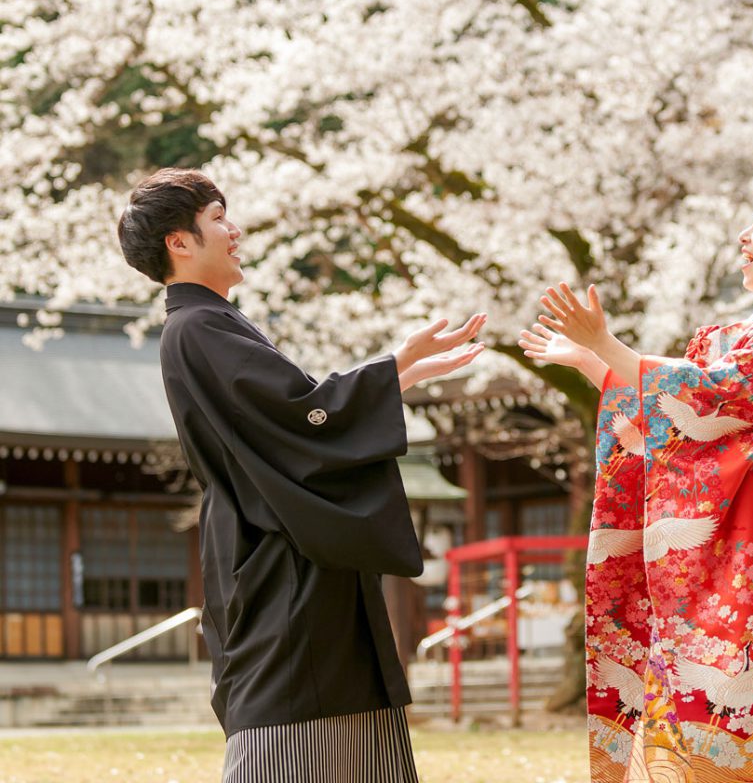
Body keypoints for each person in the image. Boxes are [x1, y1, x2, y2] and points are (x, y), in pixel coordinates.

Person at [118, 167, 485, 783]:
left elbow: (295, 415)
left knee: (325, 712)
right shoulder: (199, 326)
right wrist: (395, 367)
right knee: (286, 721)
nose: (234, 231)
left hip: (280, 542)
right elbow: (300, 419)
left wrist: (402, 372)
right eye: (217, 219)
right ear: (179, 242)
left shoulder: (207, 323)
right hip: (277, 551)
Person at [519, 181, 753, 783]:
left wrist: (605, 344)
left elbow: (714, 399)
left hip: (742, 556)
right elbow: (684, 422)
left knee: (727, 712)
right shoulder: (744, 335)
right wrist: (591, 361)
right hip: (713, 559)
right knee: (692, 709)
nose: (743, 237)